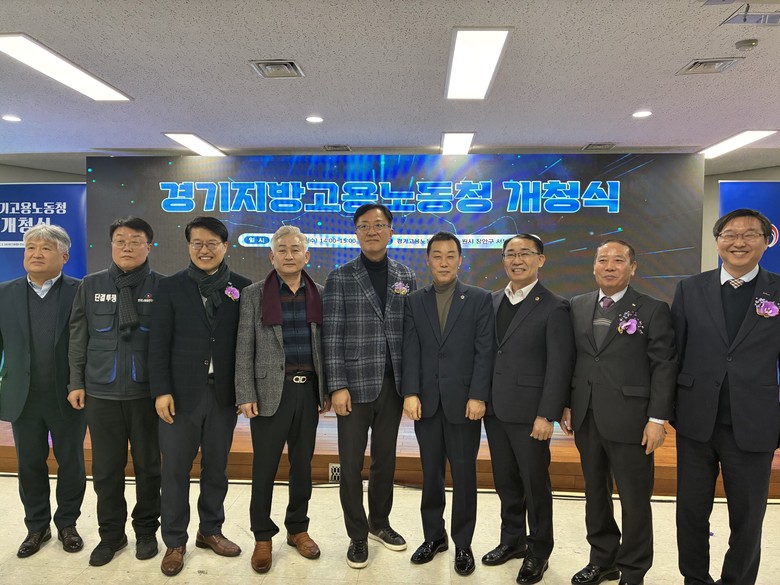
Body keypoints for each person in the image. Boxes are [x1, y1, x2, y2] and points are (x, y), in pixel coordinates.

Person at [672, 208, 780, 585]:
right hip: (695, 422)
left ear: (766, 241)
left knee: (748, 518)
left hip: (754, 423)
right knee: (690, 513)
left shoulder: (777, 290)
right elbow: (675, 353)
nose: (739, 242)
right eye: (730, 234)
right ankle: (694, 579)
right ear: (717, 241)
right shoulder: (690, 288)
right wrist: (669, 411)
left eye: (750, 234)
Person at [561, 239, 676, 585]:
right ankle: (602, 560)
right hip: (586, 416)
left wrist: (657, 419)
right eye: (603, 260)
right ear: (594, 266)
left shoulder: (653, 309)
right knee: (595, 494)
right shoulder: (577, 305)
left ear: (633, 267)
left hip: (632, 419)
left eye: (618, 260)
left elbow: (664, 367)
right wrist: (567, 403)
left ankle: (634, 570)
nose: (609, 266)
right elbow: (572, 359)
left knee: (634, 499)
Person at [149, 216, 251, 577]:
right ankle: (175, 540)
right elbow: (157, 343)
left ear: (225, 246)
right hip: (179, 396)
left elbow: (247, 345)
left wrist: (244, 391)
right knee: (175, 470)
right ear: (189, 246)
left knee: (216, 469)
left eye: (212, 243)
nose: (204, 250)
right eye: (197, 243)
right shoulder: (169, 287)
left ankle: (210, 530)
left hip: (223, 396)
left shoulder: (243, 288)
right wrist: (161, 391)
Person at [322, 203, 417, 568]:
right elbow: (331, 335)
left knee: (385, 461)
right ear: (356, 233)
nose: (372, 231)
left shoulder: (405, 275)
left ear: (391, 231)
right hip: (353, 386)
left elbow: (411, 334)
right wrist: (337, 386)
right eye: (364, 226)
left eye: (379, 225)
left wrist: (411, 387)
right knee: (350, 464)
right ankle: (357, 535)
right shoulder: (340, 276)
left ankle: (380, 523)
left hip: (393, 386)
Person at [235, 225, 331, 574]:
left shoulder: (320, 294)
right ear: (271, 256)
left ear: (307, 256)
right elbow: (244, 346)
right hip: (269, 393)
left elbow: (326, 346)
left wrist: (327, 389)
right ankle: (262, 536)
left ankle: (297, 529)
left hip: (308, 391)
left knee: (302, 466)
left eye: (295, 249)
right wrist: (245, 392)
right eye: (282, 250)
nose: (289, 255)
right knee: (264, 468)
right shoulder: (253, 294)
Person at [67, 216, 163, 566]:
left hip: (146, 395)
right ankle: (111, 535)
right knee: (107, 471)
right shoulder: (90, 285)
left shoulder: (162, 287)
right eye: (120, 240)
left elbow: (170, 343)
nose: (127, 247)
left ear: (148, 246)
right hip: (101, 394)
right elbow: (78, 338)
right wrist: (76, 382)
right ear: (111, 245)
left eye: (135, 241)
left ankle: (147, 531)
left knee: (149, 468)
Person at [401, 231, 494, 576]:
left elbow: (485, 350)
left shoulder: (479, 299)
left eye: (450, 256)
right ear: (428, 260)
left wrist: (478, 395)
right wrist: (410, 392)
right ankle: (434, 537)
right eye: (437, 256)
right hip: (426, 402)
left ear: (460, 260)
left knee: (465, 476)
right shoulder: (415, 301)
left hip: (464, 402)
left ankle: (463, 543)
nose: (443, 262)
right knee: (431, 475)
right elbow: (410, 348)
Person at [483, 234, 574, 584]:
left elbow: (559, 365)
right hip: (496, 410)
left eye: (525, 253)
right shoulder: (491, 300)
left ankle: (539, 551)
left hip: (531, 414)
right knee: (506, 481)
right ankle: (512, 541)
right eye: (510, 254)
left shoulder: (554, 306)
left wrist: (547, 414)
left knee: (535, 486)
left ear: (541, 260)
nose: (517, 260)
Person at [0, 224, 85, 558]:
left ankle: (67, 524)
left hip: (69, 395)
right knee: (29, 464)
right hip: (23, 395)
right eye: (30, 248)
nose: (36, 254)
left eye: (46, 248)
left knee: (71, 463)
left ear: (64, 256)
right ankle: (37, 527)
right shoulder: (4, 293)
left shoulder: (80, 291)